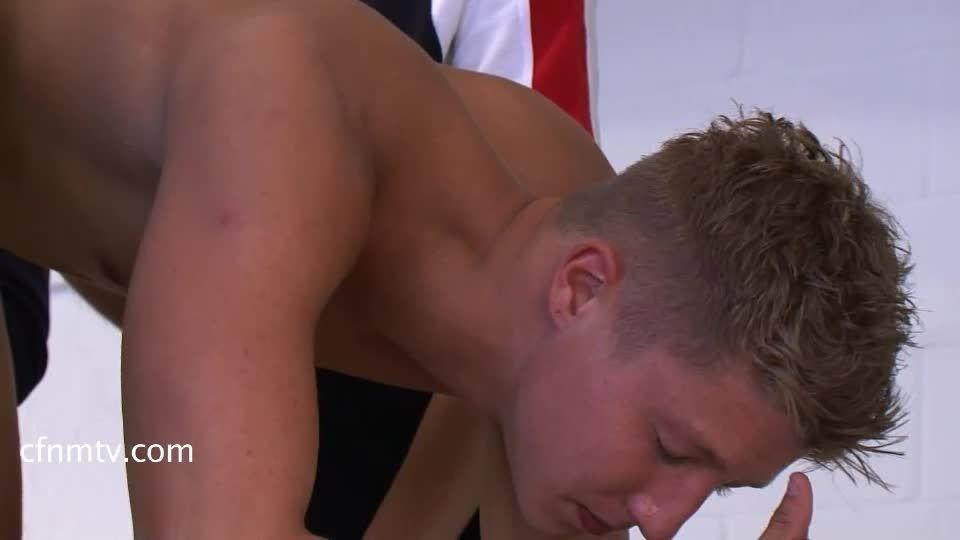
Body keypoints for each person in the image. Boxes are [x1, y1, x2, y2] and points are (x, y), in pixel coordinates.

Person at [0, 1, 916, 539]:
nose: (663, 520)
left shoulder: (563, 245)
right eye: (674, 450)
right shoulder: (287, 124)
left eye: (714, 487)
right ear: (581, 288)